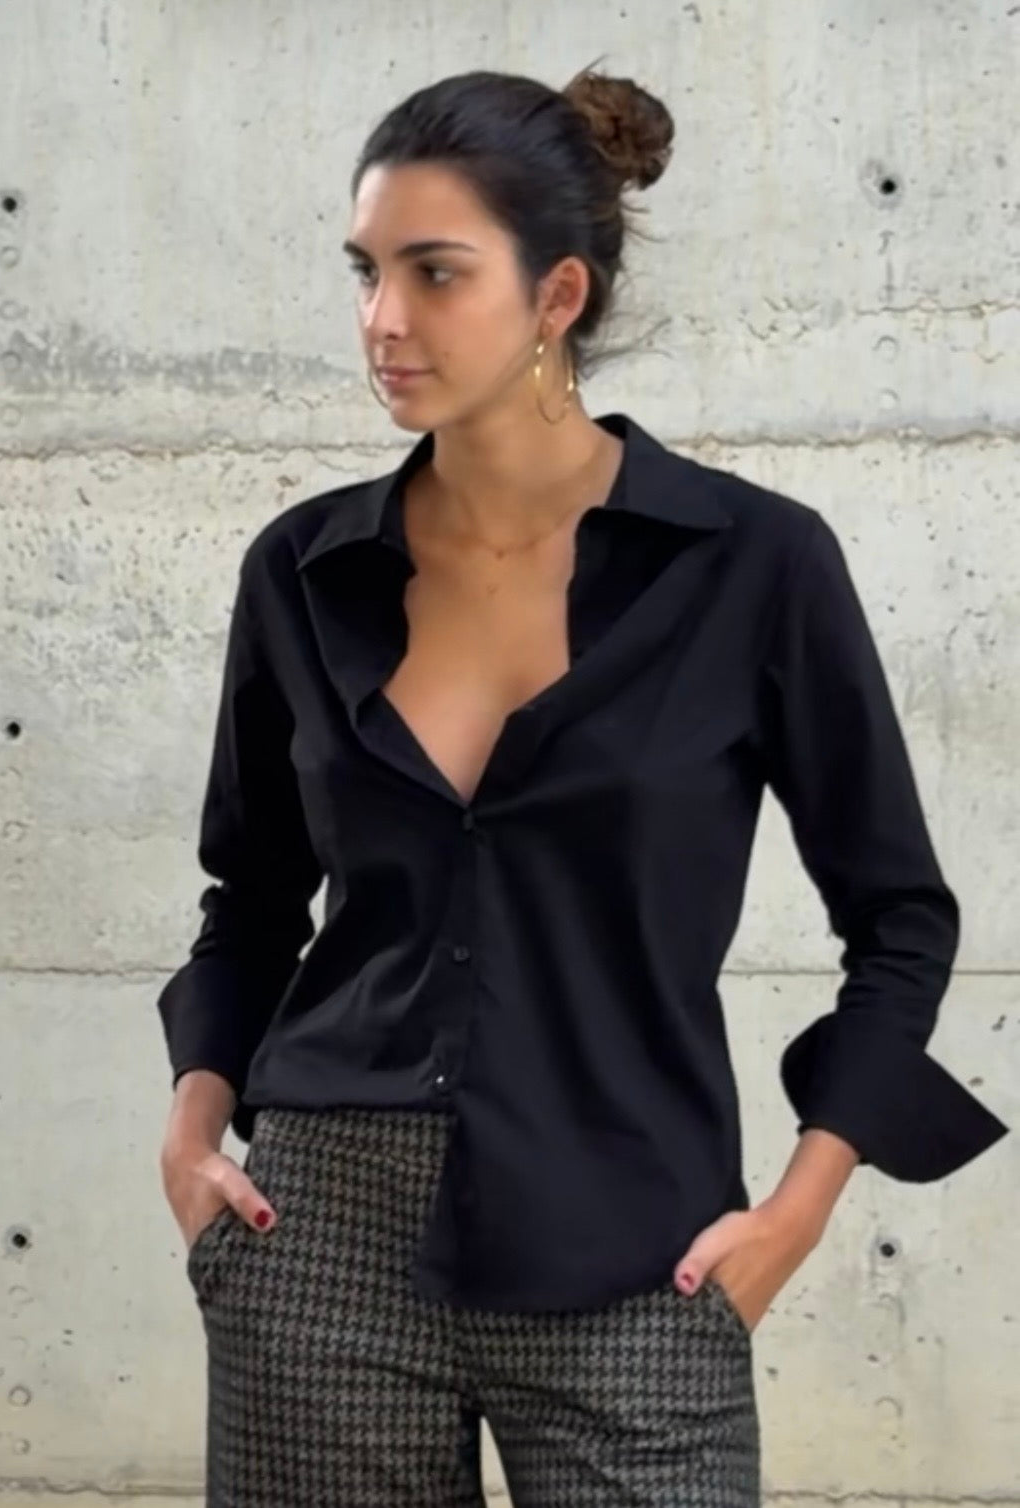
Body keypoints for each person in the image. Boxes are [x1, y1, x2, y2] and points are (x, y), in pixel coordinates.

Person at [155, 63, 1008, 1508]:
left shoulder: (752, 565)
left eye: (434, 273)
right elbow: (250, 895)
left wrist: (798, 1209)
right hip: (320, 1245)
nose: (382, 320)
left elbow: (899, 918)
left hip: (633, 1243)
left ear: (556, 295)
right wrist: (192, 1138)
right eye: (365, 271)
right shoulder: (301, 571)